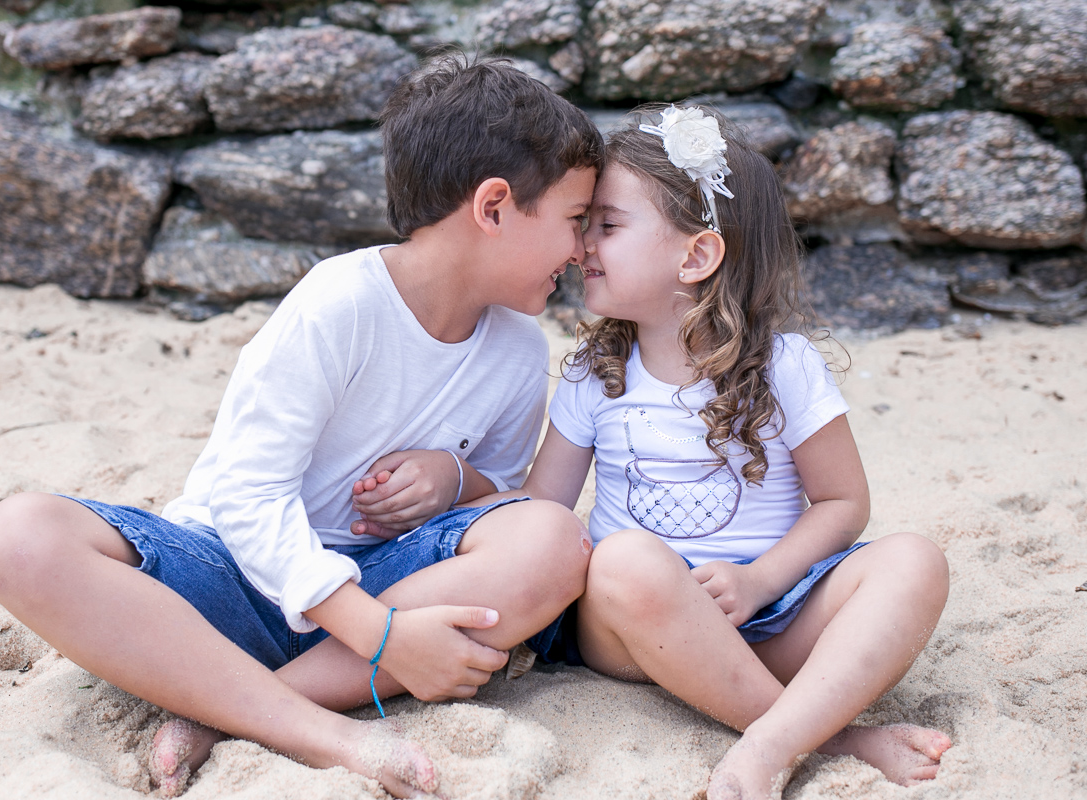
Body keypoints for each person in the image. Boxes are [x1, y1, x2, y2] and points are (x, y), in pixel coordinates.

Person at [0, 55, 602, 799]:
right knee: (17, 538)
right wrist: (383, 637)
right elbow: (244, 495)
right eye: (574, 221)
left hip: (390, 578)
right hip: (233, 581)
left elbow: (499, 499)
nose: (583, 249)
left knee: (552, 537)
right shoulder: (338, 304)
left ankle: (233, 710)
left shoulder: (521, 348)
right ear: (493, 208)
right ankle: (315, 729)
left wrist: (454, 478)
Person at [355, 104, 953, 800]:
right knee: (623, 559)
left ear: (695, 255)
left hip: (772, 614)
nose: (581, 248)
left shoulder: (785, 366)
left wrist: (762, 581)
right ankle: (811, 737)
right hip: (635, 628)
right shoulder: (594, 372)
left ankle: (772, 735)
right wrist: (453, 479)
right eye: (584, 227)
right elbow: (538, 510)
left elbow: (845, 503)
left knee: (915, 561)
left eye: (605, 226)